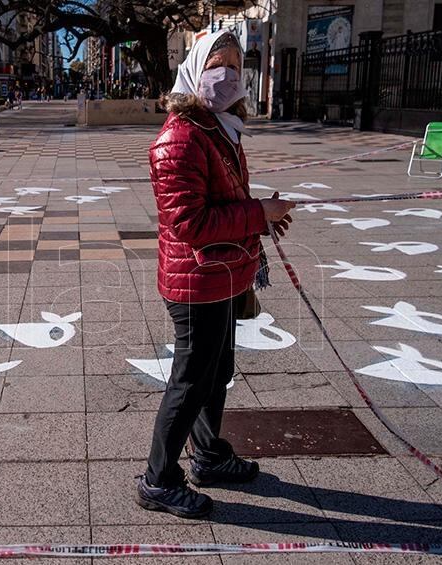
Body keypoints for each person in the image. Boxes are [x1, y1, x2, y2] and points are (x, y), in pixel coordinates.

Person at [137, 30, 295, 519]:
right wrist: (257, 214)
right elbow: (192, 224)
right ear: (192, 71)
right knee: (190, 380)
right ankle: (158, 480)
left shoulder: (219, 129)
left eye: (234, 62)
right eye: (215, 63)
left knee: (216, 372)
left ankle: (206, 456)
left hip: (224, 273)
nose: (226, 73)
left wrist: (260, 214)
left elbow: (226, 201)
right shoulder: (179, 139)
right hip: (197, 278)